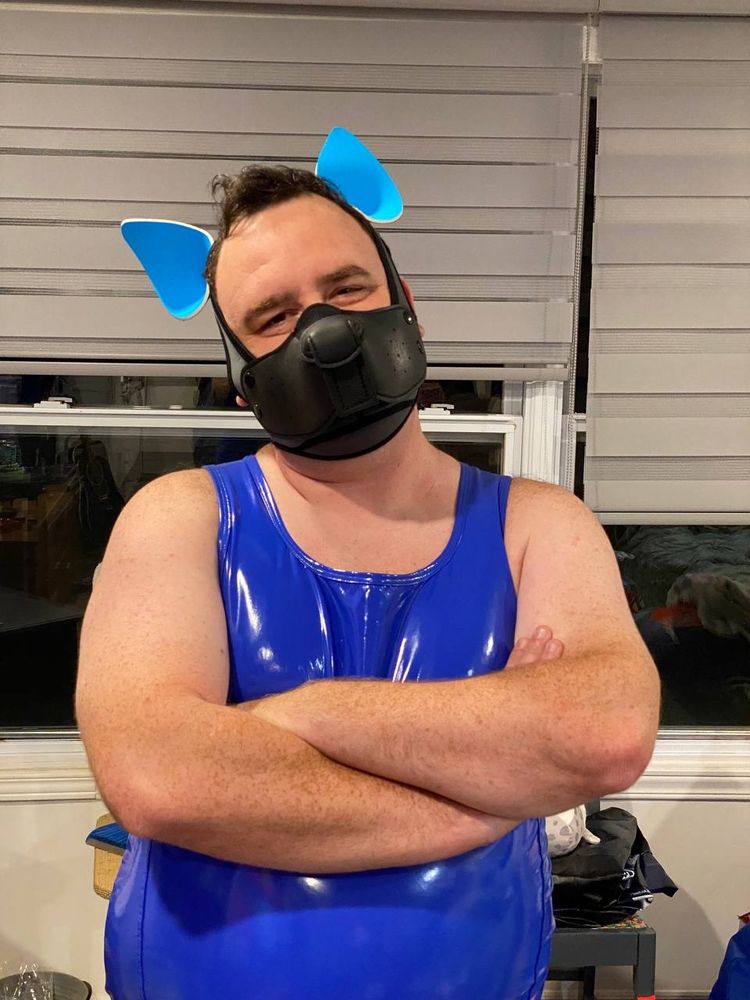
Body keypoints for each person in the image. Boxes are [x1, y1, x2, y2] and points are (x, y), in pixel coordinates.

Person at [76, 166, 660, 1000]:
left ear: (405, 302)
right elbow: (159, 774)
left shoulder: (540, 524)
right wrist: (486, 798)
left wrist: (299, 715)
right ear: (240, 372)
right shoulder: (179, 518)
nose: (322, 334)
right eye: (273, 316)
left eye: (346, 289)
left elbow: (603, 734)